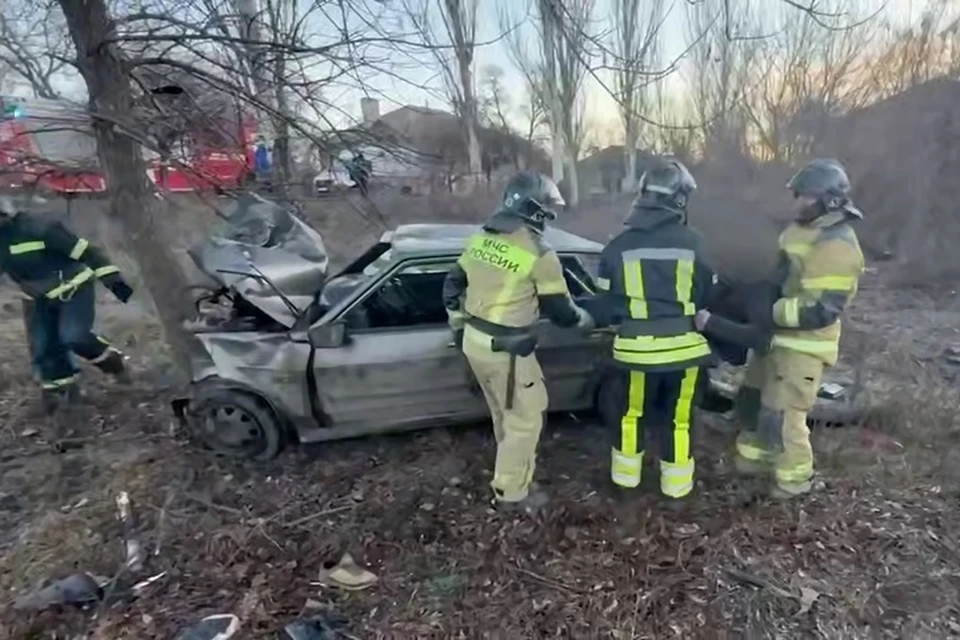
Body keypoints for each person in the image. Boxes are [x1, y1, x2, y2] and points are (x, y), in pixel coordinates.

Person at [696, 158, 865, 498]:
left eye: (804, 196)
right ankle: (754, 461)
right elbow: (773, 275)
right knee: (755, 400)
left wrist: (767, 311)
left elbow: (822, 310)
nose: (797, 202)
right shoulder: (796, 231)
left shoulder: (837, 245)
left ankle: (794, 481)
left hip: (803, 347)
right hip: (774, 340)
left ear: (829, 199)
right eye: (797, 195)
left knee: (787, 415)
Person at [442, 171, 594, 514]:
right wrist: (587, 319)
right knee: (526, 420)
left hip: (474, 342)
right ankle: (512, 493)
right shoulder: (539, 252)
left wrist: (458, 328)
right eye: (549, 209)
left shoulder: (481, 239)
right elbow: (561, 312)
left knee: (503, 412)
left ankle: (512, 471)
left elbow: (451, 285)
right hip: (508, 352)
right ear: (537, 210)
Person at [581, 158, 715, 503]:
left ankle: (626, 488)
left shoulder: (617, 246)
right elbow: (707, 295)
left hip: (634, 354)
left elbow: (606, 303)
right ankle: (677, 493)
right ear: (680, 200)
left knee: (629, 417)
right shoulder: (698, 243)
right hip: (685, 353)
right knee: (679, 420)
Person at [0, 196, 134, 415]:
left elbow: (88, 252)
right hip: (37, 298)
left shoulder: (41, 228)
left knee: (74, 336)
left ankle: (114, 363)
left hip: (73, 289)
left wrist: (114, 282)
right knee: (46, 350)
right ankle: (65, 401)